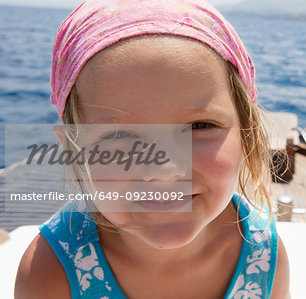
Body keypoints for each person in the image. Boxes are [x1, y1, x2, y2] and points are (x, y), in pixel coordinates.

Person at [15, 0, 290, 298]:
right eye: (118, 134)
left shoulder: (263, 255)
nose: (164, 171)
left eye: (199, 126)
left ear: (245, 132)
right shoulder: (50, 270)